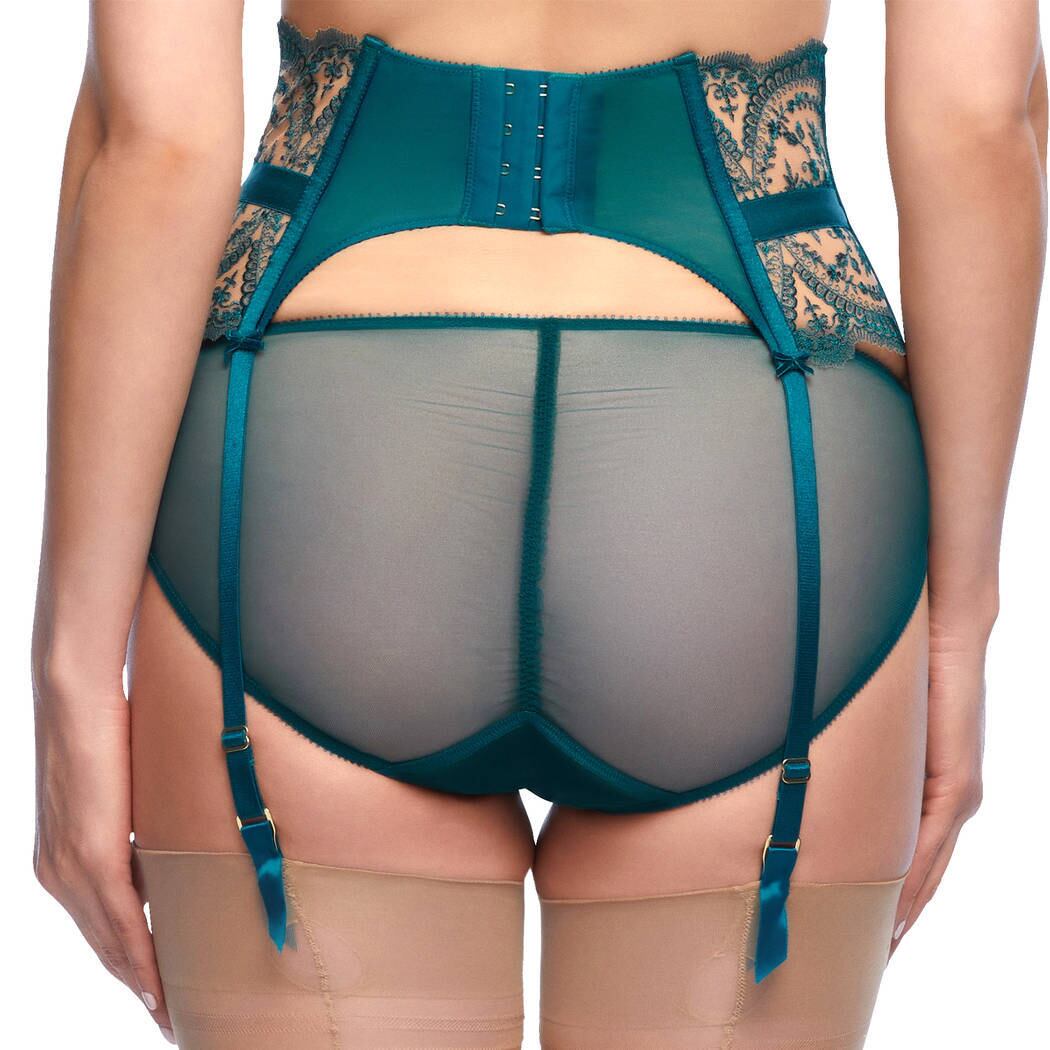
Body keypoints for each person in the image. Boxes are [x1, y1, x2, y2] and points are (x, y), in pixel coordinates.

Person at [32, 1, 1046, 1047]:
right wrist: (960, 623)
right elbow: (977, 122)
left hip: (328, 463)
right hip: (748, 461)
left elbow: (155, 139)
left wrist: (72, 667)